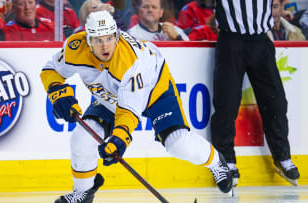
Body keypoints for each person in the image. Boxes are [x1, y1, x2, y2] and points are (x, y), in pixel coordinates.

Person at [40, 10, 232, 203]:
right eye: (98, 40)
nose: (105, 46)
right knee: (82, 137)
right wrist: (59, 94)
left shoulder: (132, 63)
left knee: (178, 143)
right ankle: (83, 191)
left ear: (116, 36)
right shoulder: (75, 48)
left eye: (109, 38)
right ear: (89, 40)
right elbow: (50, 70)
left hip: (155, 90)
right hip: (110, 95)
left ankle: (217, 163)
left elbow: (128, 113)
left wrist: (118, 140)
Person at [211, 0, 300, 187]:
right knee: (226, 103)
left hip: (260, 40)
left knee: (276, 102)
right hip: (231, 40)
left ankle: (282, 157)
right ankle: (226, 160)